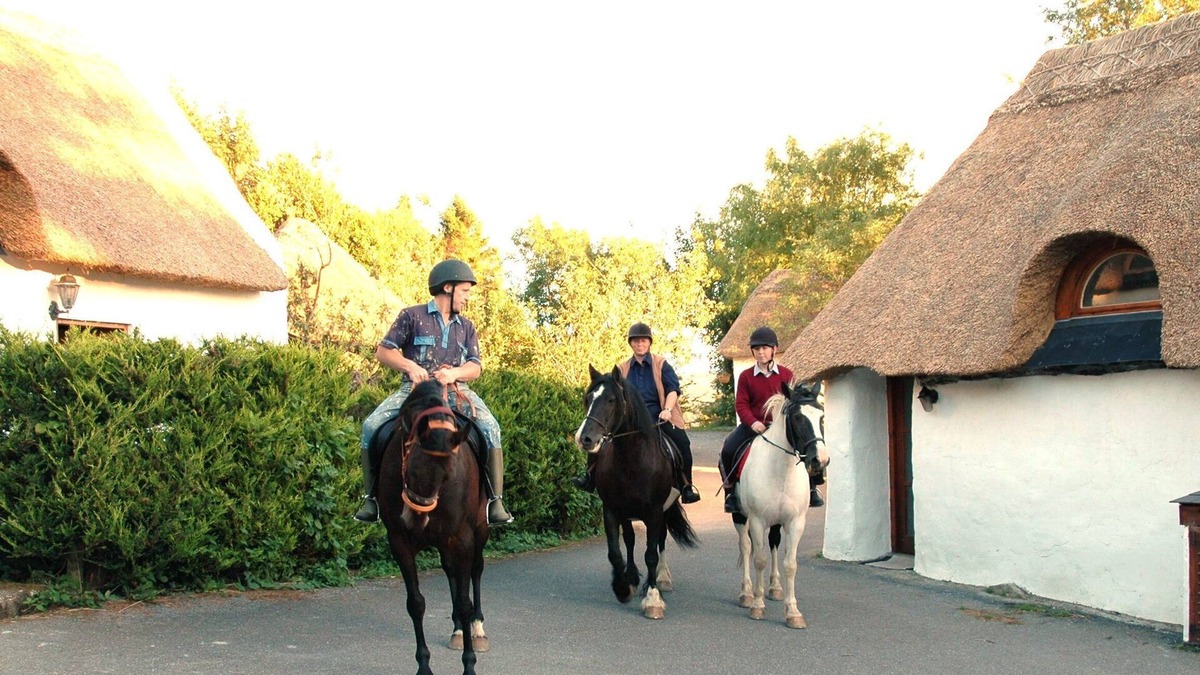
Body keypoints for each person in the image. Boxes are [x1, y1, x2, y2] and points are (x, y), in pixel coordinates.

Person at [353, 259, 514, 525]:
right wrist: (409, 365)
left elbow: (475, 367)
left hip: (455, 390)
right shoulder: (411, 316)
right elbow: (384, 351)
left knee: (491, 427)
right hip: (414, 391)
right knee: (371, 426)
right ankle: (370, 500)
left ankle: (495, 503)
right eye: (464, 291)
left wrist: (454, 374)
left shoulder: (467, 327)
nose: (467, 298)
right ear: (447, 288)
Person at [572, 322, 701, 504]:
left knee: (682, 443)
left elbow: (673, 389)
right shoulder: (622, 369)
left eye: (643, 341)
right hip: (632, 420)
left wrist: (667, 410)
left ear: (649, 343)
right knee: (600, 442)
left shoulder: (661, 364)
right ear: (631, 344)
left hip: (659, 417)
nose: (640, 344)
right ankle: (589, 477)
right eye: (636, 341)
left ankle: (686, 486)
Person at [720, 326, 824, 513]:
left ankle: (812, 487)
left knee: (809, 444)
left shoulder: (786, 374)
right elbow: (741, 405)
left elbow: (795, 401)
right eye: (757, 349)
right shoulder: (746, 377)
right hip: (755, 426)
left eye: (765, 348)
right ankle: (731, 494)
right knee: (728, 448)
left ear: (774, 350)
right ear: (753, 351)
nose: (761, 352)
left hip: (782, 427)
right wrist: (753, 422)